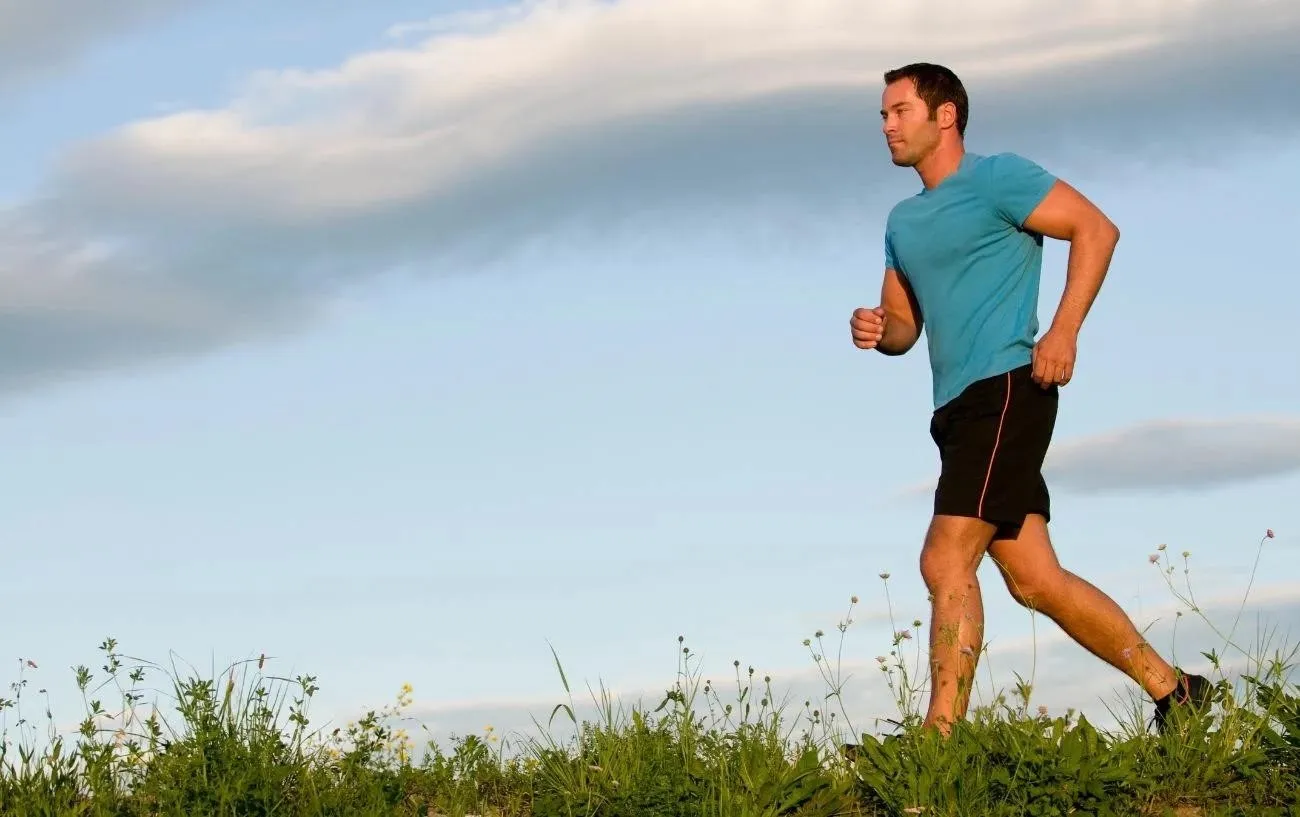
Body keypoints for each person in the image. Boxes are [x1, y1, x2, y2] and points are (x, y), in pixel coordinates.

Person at [849, 62, 1211, 736]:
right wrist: (877, 328)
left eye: (898, 111)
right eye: (882, 115)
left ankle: (938, 741)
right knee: (1035, 580)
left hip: (1008, 390)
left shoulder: (997, 178)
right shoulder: (903, 220)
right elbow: (904, 324)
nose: (886, 126)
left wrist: (1064, 329)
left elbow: (1096, 229)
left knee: (944, 558)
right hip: (955, 411)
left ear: (945, 115)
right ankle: (1177, 691)